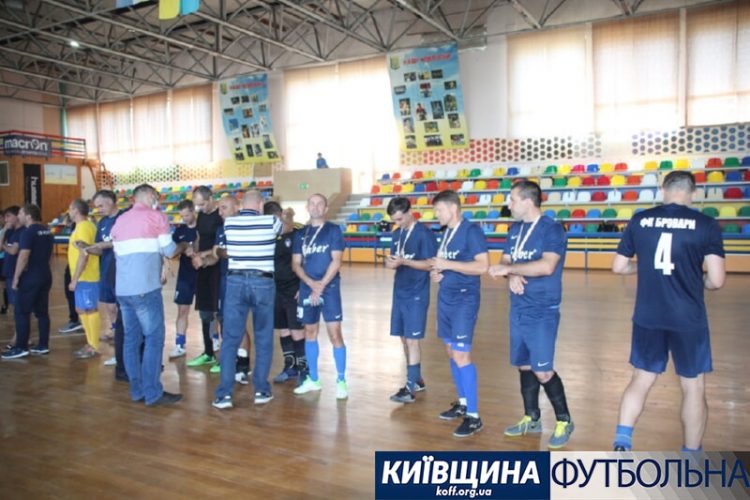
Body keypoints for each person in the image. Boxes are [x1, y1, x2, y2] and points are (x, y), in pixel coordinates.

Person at [611, 171, 725, 452]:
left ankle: (622, 440)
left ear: (663, 189)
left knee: (641, 378)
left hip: (648, 315)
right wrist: (701, 282)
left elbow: (619, 267)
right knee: (693, 386)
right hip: (688, 318)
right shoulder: (706, 224)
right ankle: (691, 454)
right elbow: (717, 280)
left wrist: (641, 267)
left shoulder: (640, 220)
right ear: (693, 192)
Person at [488, 180, 574, 449]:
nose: (509, 204)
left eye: (512, 199)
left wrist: (511, 270)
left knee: (543, 370)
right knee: (524, 365)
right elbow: (505, 261)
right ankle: (532, 417)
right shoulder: (514, 229)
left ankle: (564, 420)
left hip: (542, 309)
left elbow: (547, 266)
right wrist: (511, 273)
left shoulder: (551, 229)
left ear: (527, 201)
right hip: (518, 307)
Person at [111, 183, 181, 406]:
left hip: (123, 290)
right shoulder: (156, 216)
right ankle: (153, 393)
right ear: (150, 195)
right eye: (155, 196)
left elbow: (119, 253)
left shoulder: (120, 220)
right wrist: (184, 246)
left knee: (131, 340)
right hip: (145, 289)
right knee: (154, 338)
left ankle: (137, 391)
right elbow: (170, 250)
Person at [212, 190, 281, 409]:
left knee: (230, 339)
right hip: (263, 282)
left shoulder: (229, 224)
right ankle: (261, 390)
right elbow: (283, 228)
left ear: (241, 206)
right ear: (261, 205)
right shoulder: (271, 222)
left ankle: (224, 394)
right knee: (263, 338)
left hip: (235, 282)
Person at [429, 190, 488, 437]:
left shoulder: (471, 231)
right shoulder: (446, 233)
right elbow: (443, 264)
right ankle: (463, 403)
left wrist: (448, 265)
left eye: (439, 210)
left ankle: (474, 417)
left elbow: (483, 266)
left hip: (464, 299)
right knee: (451, 351)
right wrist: (437, 273)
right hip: (446, 298)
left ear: (453, 208)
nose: (436, 214)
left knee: (462, 355)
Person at [292, 193, 348, 399]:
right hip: (308, 287)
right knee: (310, 332)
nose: (315, 207)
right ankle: (314, 379)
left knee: (335, 334)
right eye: (312, 203)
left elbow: (336, 260)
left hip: (329, 288)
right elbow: (295, 264)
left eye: (320, 204)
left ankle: (341, 381)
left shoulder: (333, 230)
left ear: (325, 208)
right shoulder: (301, 234)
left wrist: (321, 285)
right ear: (307, 207)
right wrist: (310, 284)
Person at [385, 197, 437, 403]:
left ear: (409, 212)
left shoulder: (424, 234)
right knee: (404, 339)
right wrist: (391, 263)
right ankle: (417, 379)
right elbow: (395, 259)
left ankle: (409, 387)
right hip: (400, 290)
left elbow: (431, 264)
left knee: (413, 340)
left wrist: (404, 262)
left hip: (417, 292)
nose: (397, 223)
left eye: (400, 219)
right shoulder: (397, 234)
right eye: (394, 220)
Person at [204, 195, 251, 383]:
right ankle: (233, 361)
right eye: (219, 208)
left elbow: (232, 253)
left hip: (241, 280)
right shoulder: (221, 229)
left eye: (224, 208)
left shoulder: (245, 227)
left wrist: (220, 252)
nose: (220, 212)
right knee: (224, 321)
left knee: (238, 323)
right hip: (225, 280)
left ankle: (243, 365)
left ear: (237, 207)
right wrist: (204, 261)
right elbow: (216, 254)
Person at [2, 204, 53, 359]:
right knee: (42, 313)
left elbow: (23, 256)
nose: (19, 217)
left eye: (21, 214)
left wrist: (16, 277)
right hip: (45, 274)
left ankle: (21, 347)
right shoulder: (47, 231)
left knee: (21, 311)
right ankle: (43, 345)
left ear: (28, 216)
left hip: (30, 276)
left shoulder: (28, 232)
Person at [263, 201, 306, 384]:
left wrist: (303, 286)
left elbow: (306, 260)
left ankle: (304, 369)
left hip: (294, 289)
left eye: (276, 219)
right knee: (283, 329)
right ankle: (290, 367)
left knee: (296, 330)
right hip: (275, 289)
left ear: (281, 215)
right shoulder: (266, 234)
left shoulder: (297, 231)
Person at [86, 190, 126, 378]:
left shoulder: (124, 218)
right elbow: (100, 249)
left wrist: (107, 245)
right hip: (106, 271)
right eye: (97, 207)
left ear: (111, 201)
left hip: (122, 272)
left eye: (101, 205)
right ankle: (118, 352)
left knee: (123, 311)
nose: (99, 209)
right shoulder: (102, 223)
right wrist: (89, 248)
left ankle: (127, 353)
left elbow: (126, 241)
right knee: (110, 309)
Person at [186, 186, 223, 368]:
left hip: (218, 267)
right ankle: (208, 353)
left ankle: (226, 358)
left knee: (221, 313)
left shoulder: (220, 216)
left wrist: (204, 255)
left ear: (211, 199)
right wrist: (194, 250)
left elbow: (221, 246)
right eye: (197, 205)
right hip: (203, 268)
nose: (200, 208)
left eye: (202, 204)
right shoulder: (201, 215)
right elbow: (199, 237)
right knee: (205, 312)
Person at [68, 198, 101, 359]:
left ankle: (93, 346)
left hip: (87, 276)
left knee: (89, 309)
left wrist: (75, 278)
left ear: (76, 210)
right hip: (83, 277)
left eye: (70, 209)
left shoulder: (84, 227)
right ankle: (90, 343)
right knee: (81, 309)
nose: (68, 212)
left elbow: (85, 253)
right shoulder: (81, 227)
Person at [168, 199, 198, 359]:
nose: (184, 219)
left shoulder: (203, 228)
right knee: (182, 310)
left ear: (193, 211)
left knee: (209, 312)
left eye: (187, 215)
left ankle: (214, 340)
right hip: (185, 276)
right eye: (182, 216)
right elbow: (172, 252)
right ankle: (180, 344)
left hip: (204, 275)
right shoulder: (179, 232)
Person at [59, 215, 83, 334]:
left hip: (77, 266)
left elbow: (83, 250)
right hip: (72, 265)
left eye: (72, 209)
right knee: (70, 293)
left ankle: (76, 320)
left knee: (74, 293)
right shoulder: (75, 226)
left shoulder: (83, 227)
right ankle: (75, 319)